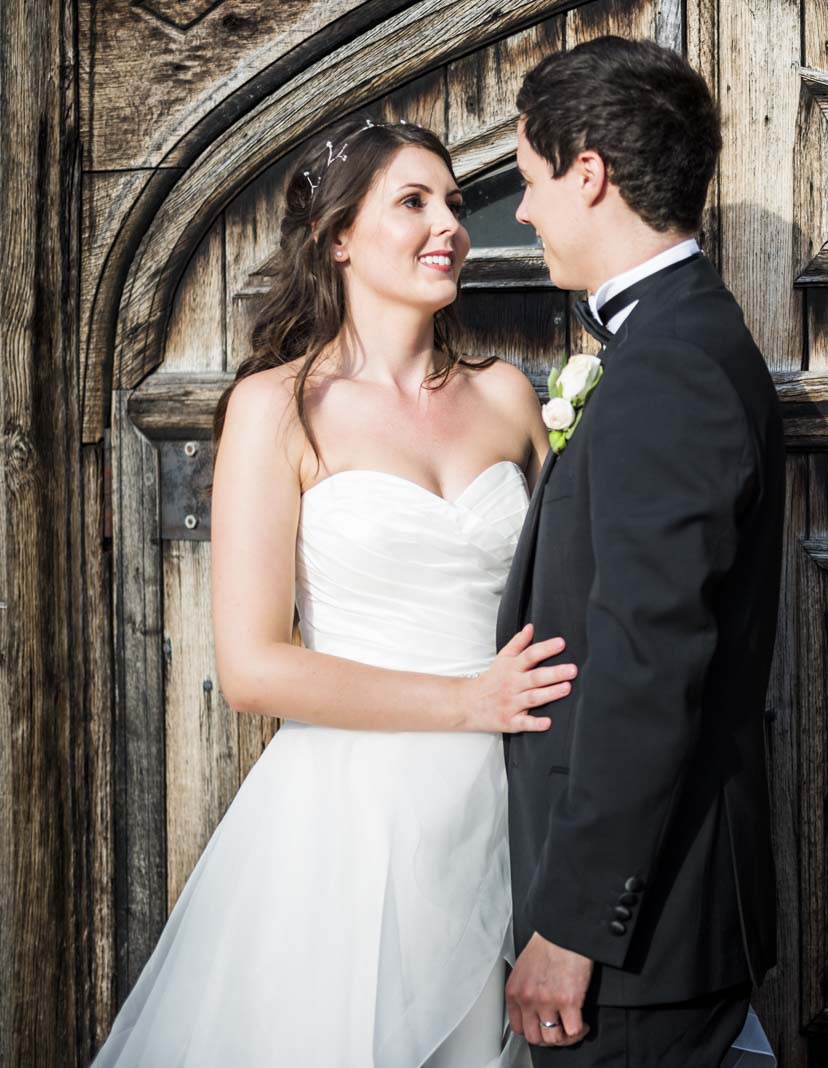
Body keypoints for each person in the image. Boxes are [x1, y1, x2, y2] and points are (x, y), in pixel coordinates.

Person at [93, 117, 561, 1067]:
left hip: (513, 808)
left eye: (457, 204)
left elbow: (566, 595)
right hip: (352, 818)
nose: (451, 227)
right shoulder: (277, 407)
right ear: (339, 237)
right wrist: (468, 701)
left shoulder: (510, 396)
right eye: (414, 202)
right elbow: (253, 668)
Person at [497, 36, 783, 1066]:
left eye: (529, 181)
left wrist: (573, 926)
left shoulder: (670, 368)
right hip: (654, 937)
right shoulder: (678, 339)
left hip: (634, 948)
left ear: (589, 173)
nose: (521, 213)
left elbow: (649, 666)